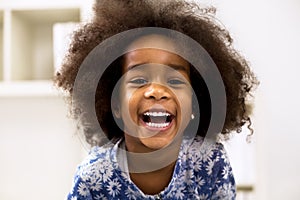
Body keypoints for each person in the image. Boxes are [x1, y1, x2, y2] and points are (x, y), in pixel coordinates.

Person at [54, 0, 258, 199]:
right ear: (115, 104)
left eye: (175, 81)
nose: (157, 91)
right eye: (140, 79)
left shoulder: (210, 162)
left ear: (195, 103)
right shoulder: (93, 178)